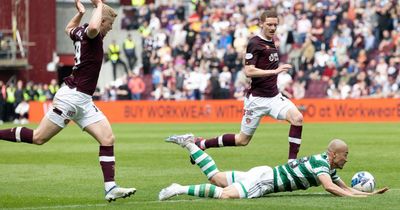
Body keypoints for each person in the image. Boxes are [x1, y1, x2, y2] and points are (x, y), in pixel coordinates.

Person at [0, 0, 136, 202]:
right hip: (71, 99)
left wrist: (80, 13)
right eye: (109, 24)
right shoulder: (93, 34)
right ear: (102, 20)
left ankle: (110, 188)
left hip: (84, 100)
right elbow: (93, 27)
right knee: (39, 137)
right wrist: (98, 6)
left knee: (107, 139)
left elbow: (69, 28)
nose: (110, 28)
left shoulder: (80, 31)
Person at [183, 9, 304, 163]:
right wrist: (275, 71)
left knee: (297, 118)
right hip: (256, 101)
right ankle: (202, 144)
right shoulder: (255, 43)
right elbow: (249, 71)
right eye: (269, 24)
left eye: (275, 25)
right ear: (261, 24)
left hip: (274, 97)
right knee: (242, 140)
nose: (272, 28)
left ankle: (292, 162)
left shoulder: (271, 41)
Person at [159, 135, 389, 200]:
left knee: (217, 178)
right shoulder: (321, 164)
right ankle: (178, 188)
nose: (347, 159)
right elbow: (331, 188)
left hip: (265, 173)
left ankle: (190, 144)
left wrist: (366, 194)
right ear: (333, 154)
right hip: (265, 181)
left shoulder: (326, 165)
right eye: (344, 155)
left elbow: (344, 187)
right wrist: (358, 199)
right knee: (226, 194)